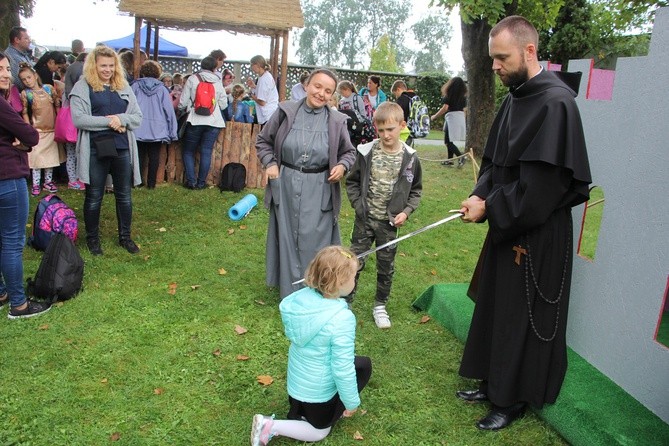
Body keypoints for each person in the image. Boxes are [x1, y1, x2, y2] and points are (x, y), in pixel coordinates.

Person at [456, 15, 592, 431]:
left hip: (536, 231)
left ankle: (511, 398)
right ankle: (491, 379)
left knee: (521, 314)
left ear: (529, 52)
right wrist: (481, 193)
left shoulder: (556, 105)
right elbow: (496, 163)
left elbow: (542, 190)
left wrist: (489, 208)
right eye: (492, 59)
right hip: (507, 220)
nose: (494, 67)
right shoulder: (517, 96)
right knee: (499, 305)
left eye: (501, 58)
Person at [250, 245, 372, 445]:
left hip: (297, 383)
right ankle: (270, 426)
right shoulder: (342, 318)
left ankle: (301, 415)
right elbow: (342, 369)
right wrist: (351, 403)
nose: (354, 281)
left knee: (363, 363)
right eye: (353, 277)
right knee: (319, 432)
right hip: (317, 393)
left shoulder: (300, 300)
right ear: (340, 282)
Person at [255, 68, 356, 299]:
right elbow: (263, 141)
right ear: (307, 85)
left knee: (315, 237)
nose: (321, 94)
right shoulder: (285, 111)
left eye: (328, 91)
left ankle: (318, 286)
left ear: (332, 96)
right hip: (287, 182)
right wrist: (270, 163)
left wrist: (341, 166)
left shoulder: (336, 121)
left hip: (319, 186)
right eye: (317, 86)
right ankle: (289, 289)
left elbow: (349, 153)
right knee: (287, 235)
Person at [345, 101, 422, 329]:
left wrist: (406, 212)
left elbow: (416, 190)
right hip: (364, 220)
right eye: (381, 130)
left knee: (385, 266)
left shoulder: (410, 157)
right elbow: (352, 182)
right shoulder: (366, 151)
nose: (386, 135)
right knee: (354, 262)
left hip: (389, 224)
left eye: (390, 129)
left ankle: (380, 305)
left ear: (402, 126)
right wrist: (359, 205)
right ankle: (345, 304)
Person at [70, 45, 143, 256]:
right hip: (94, 148)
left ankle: (125, 237)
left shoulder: (122, 85)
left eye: (111, 65)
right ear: (94, 65)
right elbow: (79, 119)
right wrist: (110, 122)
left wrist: (121, 119)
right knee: (94, 196)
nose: (108, 69)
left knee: (124, 196)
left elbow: (137, 117)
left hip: (121, 147)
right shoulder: (83, 87)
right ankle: (93, 240)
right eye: (103, 65)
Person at [0, 51, 51, 319]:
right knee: (11, 243)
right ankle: (19, 305)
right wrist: (24, 140)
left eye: (7, 69)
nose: (6, 74)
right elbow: (30, 133)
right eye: (1, 69)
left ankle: (1, 292)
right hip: (7, 178)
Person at [177, 56, 227, 189]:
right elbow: (223, 104)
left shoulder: (193, 79)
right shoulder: (218, 82)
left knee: (188, 151)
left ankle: (191, 181)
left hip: (195, 120)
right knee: (206, 151)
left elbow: (182, 102)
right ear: (215, 67)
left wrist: (185, 109)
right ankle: (201, 183)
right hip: (214, 121)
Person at [131, 60, 178, 189]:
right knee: (154, 156)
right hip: (157, 129)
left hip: (138, 127)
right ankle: (151, 184)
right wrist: (172, 131)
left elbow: (129, 105)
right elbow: (169, 110)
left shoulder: (134, 87)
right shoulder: (162, 89)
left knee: (138, 155)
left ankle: (137, 182)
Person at [18, 63, 62, 197]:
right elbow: (25, 112)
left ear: (35, 76)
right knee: (36, 158)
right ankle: (36, 183)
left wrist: (60, 121)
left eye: (29, 77)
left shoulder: (48, 89)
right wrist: (27, 127)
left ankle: (48, 181)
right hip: (37, 130)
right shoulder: (26, 94)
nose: (27, 81)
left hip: (51, 129)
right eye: (24, 79)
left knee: (50, 158)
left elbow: (56, 105)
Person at [62, 52, 88, 190]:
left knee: (73, 152)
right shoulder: (76, 93)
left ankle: (75, 178)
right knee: (76, 151)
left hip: (70, 123)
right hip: (74, 124)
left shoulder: (66, 92)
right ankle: (75, 179)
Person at [431, 76, 467, 167]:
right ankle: (450, 160)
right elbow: (465, 110)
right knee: (449, 140)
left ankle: (461, 156)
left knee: (448, 142)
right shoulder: (463, 97)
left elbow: (445, 108)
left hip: (452, 117)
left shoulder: (449, 95)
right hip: (459, 117)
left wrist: (434, 116)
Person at [246, 55, 278, 124]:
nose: (251, 67)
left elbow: (262, 102)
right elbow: (263, 91)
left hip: (268, 114)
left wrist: (252, 96)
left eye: (252, 65)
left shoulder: (264, 79)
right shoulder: (265, 75)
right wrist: (254, 86)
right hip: (271, 112)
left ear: (257, 65)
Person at [5, 26, 33, 90]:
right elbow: (19, 83)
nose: (29, 41)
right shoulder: (11, 57)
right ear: (17, 40)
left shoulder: (23, 55)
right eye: (26, 38)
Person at [390, 79, 416, 146]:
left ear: (398, 89)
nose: (396, 96)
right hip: (413, 127)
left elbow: (396, 114)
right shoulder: (413, 97)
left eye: (395, 94)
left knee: (401, 148)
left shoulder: (401, 100)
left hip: (403, 129)